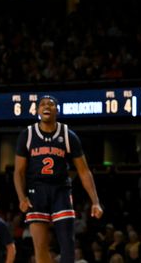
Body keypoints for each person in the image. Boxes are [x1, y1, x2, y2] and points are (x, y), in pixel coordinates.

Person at [14, 95, 103, 263]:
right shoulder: (27, 135)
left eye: (51, 104)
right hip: (36, 190)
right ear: (38, 110)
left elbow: (84, 171)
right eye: (42, 104)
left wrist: (95, 201)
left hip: (61, 190)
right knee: (40, 247)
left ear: (57, 110)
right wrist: (21, 197)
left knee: (68, 245)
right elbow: (18, 172)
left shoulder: (69, 136)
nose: (46, 106)